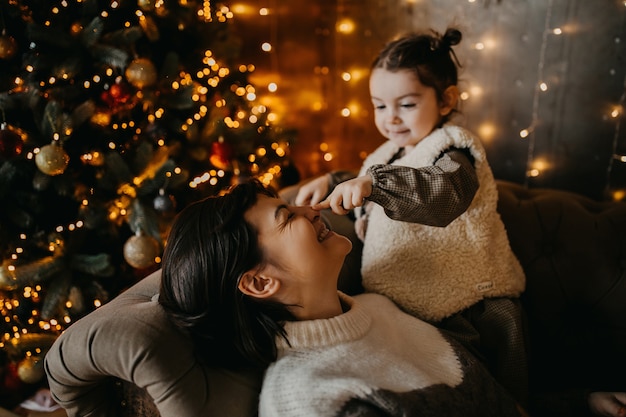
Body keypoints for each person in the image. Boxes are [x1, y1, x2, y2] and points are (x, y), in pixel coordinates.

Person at [294, 27, 530, 405]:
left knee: (494, 400)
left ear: (446, 100)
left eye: (406, 104)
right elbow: (368, 176)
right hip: (407, 309)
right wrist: (333, 179)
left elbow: (442, 195)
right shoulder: (388, 153)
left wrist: (374, 185)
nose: (391, 119)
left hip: (469, 308)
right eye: (380, 105)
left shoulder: (454, 150)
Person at [158, 178, 526, 417]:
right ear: (258, 284)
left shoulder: (378, 307)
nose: (311, 209)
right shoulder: (307, 397)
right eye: (287, 216)